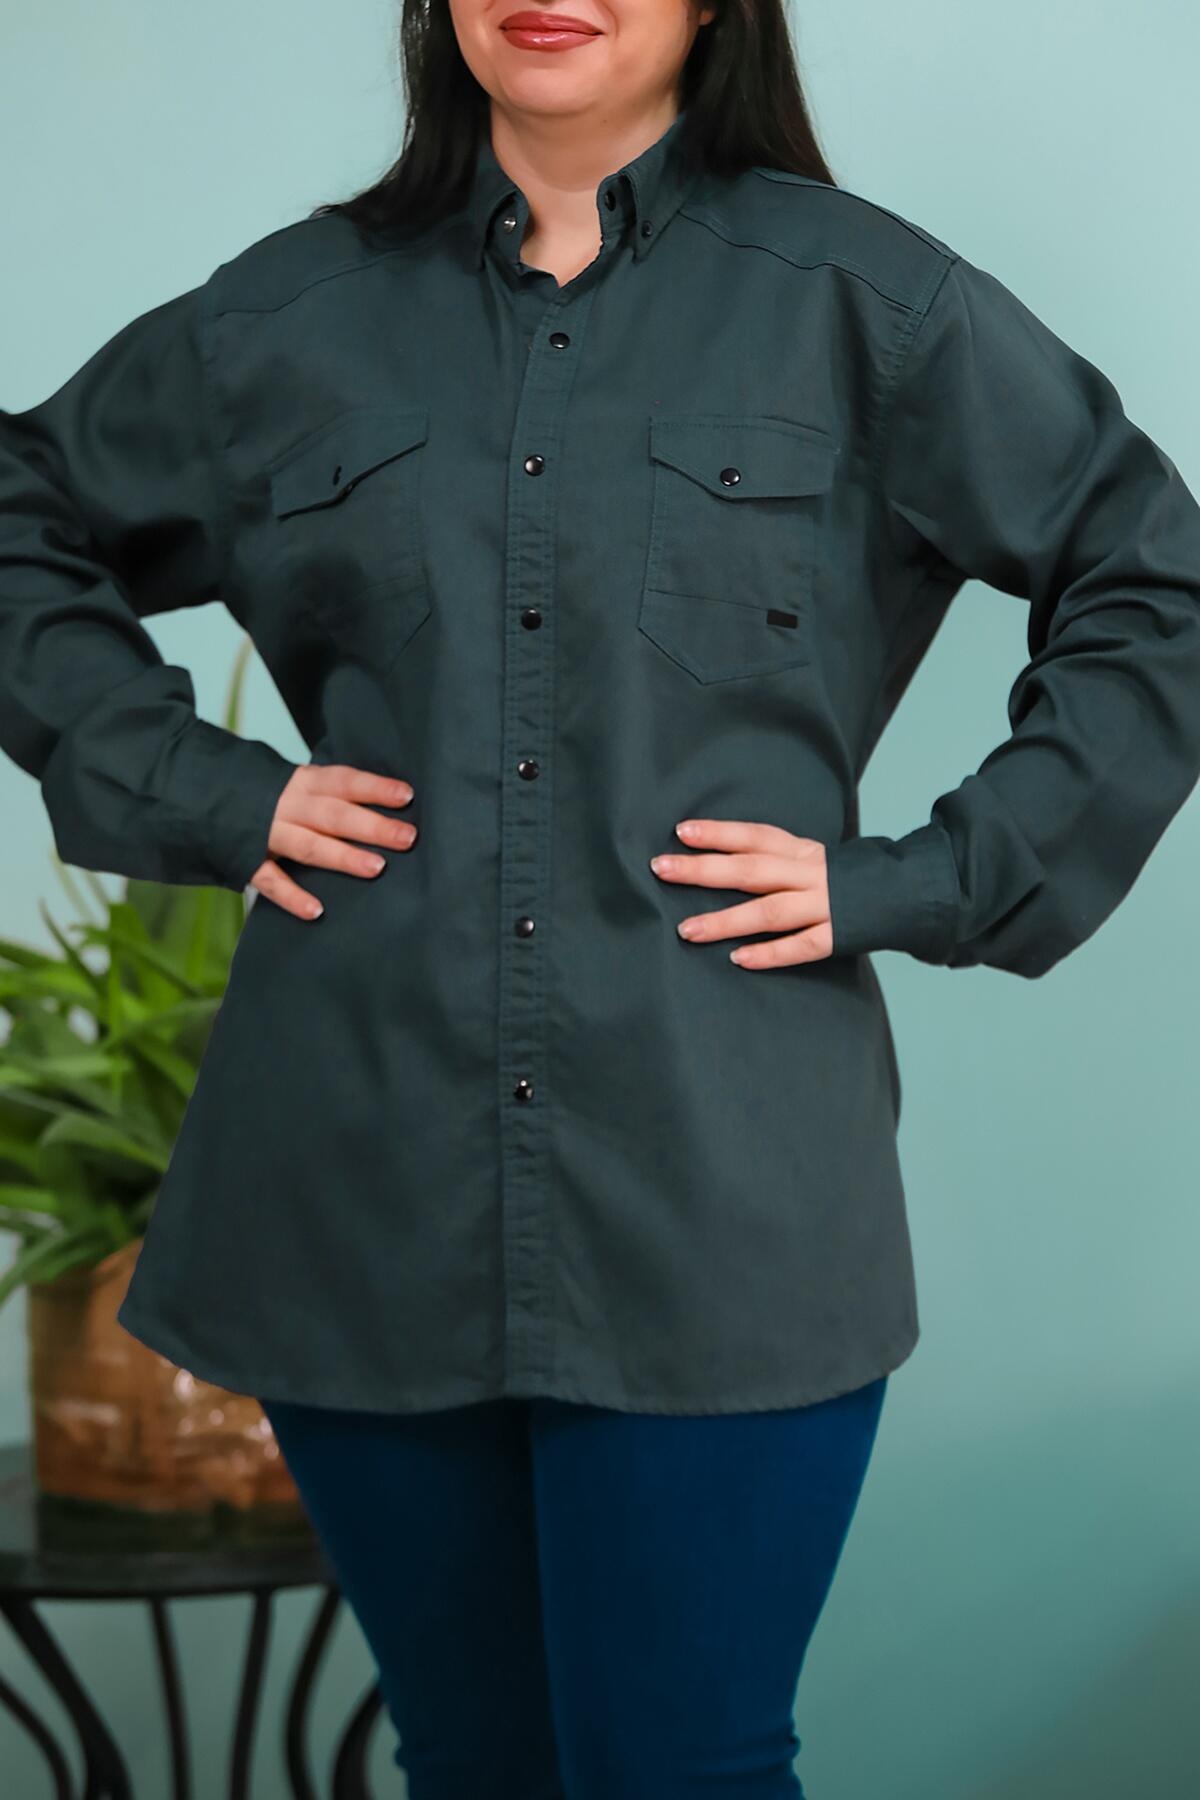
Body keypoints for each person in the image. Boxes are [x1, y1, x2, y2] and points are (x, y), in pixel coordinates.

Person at [2, 0, 1199, 1793]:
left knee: (681, 1767)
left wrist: (929, 880)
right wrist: (210, 795)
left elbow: (1153, 581)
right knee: (471, 1764)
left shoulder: (863, 302)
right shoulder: (289, 318)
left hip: (719, 1193)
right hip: (361, 1188)